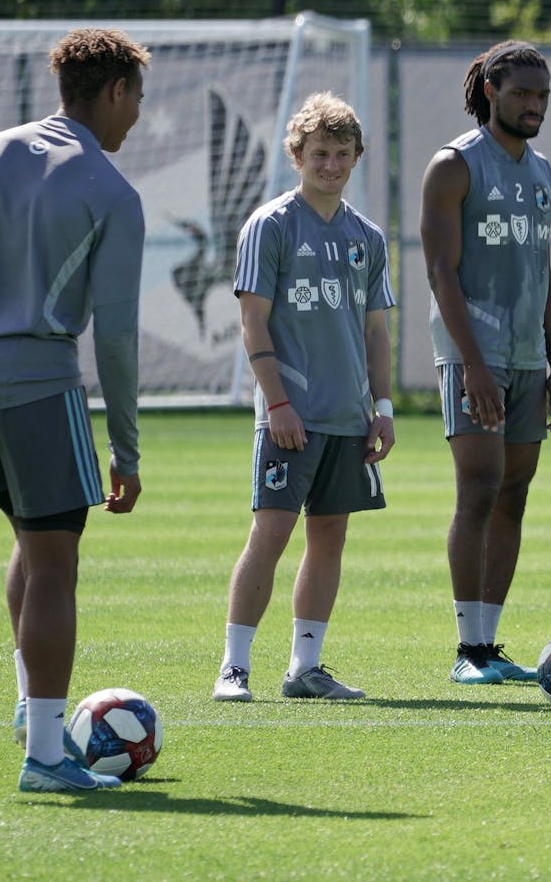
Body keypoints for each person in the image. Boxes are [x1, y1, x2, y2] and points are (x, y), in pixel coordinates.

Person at [0, 28, 150, 791]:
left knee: (28, 541)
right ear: (116, 90)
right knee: (55, 559)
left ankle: (30, 707)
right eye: (138, 100)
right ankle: (47, 756)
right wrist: (127, 448)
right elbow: (116, 338)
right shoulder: (112, 190)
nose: (138, 119)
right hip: (34, 383)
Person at [211, 92, 395, 703]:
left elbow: (375, 330)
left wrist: (383, 409)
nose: (332, 165)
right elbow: (252, 322)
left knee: (330, 537)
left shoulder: (366, 237)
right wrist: (278, 403)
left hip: (349, 417)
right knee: (270, 534)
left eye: (343, 154)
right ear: (297, 154)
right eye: (320, 153)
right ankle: (234, 667)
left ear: (357, 157)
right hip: (290, 417)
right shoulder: (270, 225)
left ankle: (304, 668)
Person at [419, 40, 551, 685]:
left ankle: (489, 643)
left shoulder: (542, 172)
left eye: (542, 96)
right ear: (490, 92)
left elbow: (543, 272)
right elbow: (440, 272)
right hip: (471, 355)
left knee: (514, 492)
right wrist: (474, 365)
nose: (534, 105)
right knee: (478, 487)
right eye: (521, 94)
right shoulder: (454, 167)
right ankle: (465, 651)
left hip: (528, 358)